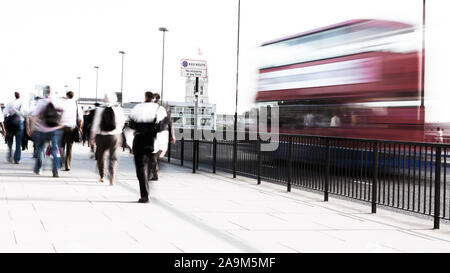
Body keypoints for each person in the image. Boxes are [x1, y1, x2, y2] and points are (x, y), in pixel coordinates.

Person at [128, 91, 167, 203]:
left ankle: (144, 195)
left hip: (139, 140)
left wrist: (130, 144)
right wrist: (163, 147)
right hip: (153, 140)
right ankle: (150, 177)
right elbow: (163, 129)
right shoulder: (159, 109)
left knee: (140, 168)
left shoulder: (137, 108)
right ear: (154, 98)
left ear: (145, 97)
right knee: (151, 163)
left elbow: (129, 128)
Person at [28, 86, 65, 177]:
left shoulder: (41, 102)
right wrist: (60, 121)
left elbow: (35, 116)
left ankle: (39, 169)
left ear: (44, 92)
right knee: (55, 150)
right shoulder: (57, 101)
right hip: (55, 129)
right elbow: (63, 110)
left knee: (41, 149)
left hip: (42, 130)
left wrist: (32, 128)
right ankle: (56, 170)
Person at [90, 92, 125, 186]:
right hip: (115, 135)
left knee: (101, 156)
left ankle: (102, 175)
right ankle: (112, 177)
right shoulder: (119, 110)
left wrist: (92, 138)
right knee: (113, 157)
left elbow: (95, 124)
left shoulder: (100, 109)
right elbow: (122, 123)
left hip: (101, 135)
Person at [60, 91, 83, 171]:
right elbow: (80, 118)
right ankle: (68, 165)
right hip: (71, 127)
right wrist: (80, 128)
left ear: (66, 95)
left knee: (61, 145)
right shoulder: (76, 105)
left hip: (62, 127)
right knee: (69, 147)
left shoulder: (62, 103)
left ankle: (61, 162)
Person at [3, 92, 25, 164]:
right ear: (20, 96)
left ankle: (10, 156)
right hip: (19, 124)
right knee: (18, 143)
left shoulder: (10, 103)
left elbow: (4, 113)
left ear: (14, 96)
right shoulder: (22, 103)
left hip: (11, 124)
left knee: (10, 142)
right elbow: (25, 114)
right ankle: (17, 159)